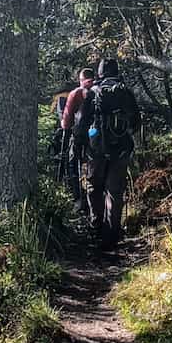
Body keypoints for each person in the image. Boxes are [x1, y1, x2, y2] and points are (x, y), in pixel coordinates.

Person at [81, 59, 141, 251]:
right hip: (121, 149)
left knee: (94, 186)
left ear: (99, 74)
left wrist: (83, 145)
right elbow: (136, 123)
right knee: (115, 192)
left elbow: (81, 123)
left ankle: (96, 226)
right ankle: (112, 233)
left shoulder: (92, 93)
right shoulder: (125, 92)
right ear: (116, 71)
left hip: (96, 150)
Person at [59, 67, 96, 213]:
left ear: (81, 80)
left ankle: (78, 199)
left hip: (80, 136)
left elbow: (66, 121)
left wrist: (64, 123)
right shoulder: (99, 91)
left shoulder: (76, 93)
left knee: (73, 163)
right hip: (98, 136)